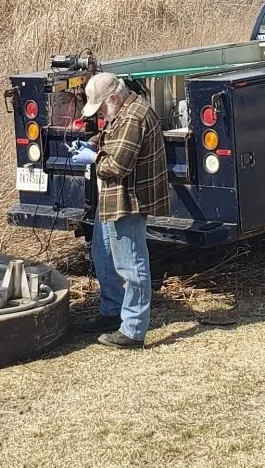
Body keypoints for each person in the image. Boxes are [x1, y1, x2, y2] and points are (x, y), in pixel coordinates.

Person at [68, 72, 169, 349]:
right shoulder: (126, 109)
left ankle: (133, 330)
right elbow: (115, 133)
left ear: (113, 97)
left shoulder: (134, 117)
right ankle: (113, 311)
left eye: (101, 107)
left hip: (129, 199)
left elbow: (117, 166)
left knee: (131, 264)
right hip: (114, 196)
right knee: (103, 252)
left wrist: (93, 158)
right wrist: (94, 142)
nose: (100, 113)